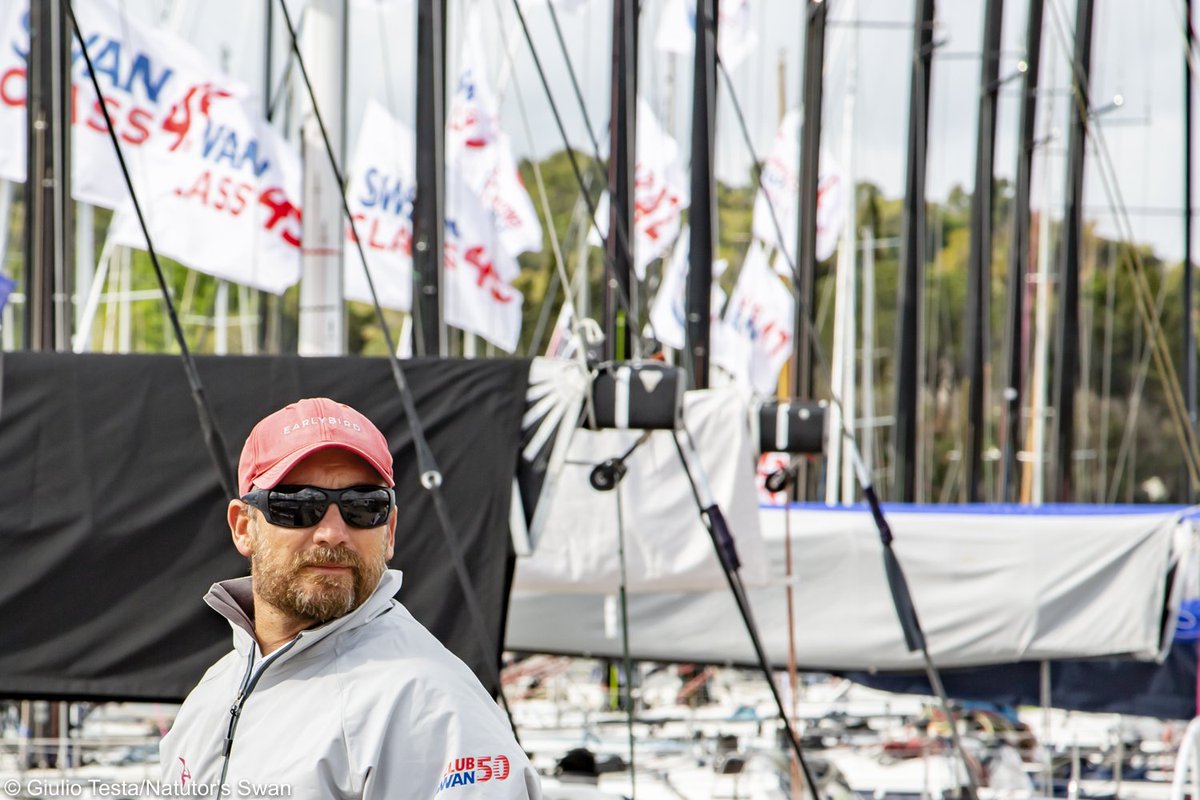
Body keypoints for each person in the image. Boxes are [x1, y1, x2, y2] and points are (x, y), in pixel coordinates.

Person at [159, 397, 541, 798]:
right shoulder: (214, 693)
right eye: (298, 505)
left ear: (389, 530)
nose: (333, 532)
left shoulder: (429, 703)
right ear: (243, 527)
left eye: (363, 506)